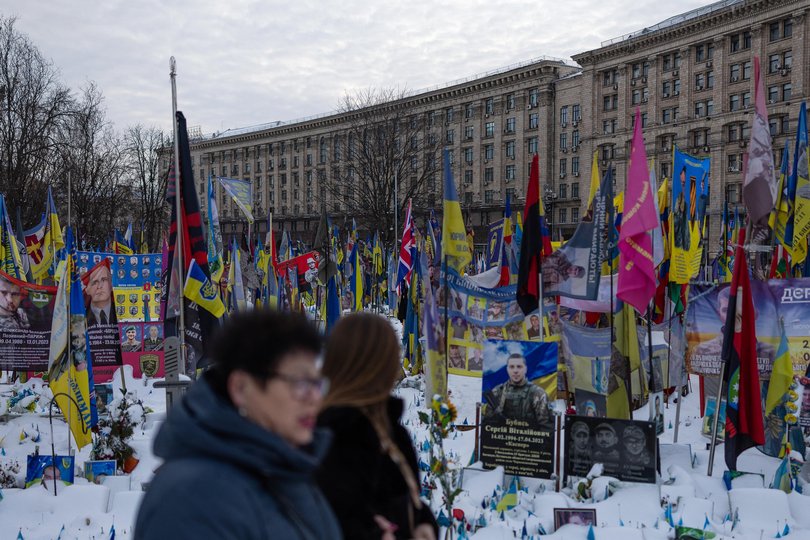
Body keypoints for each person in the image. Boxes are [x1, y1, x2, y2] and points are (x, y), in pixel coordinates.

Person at [134, 311, 340, 540]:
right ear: (241, 388)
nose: (314, 398)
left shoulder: (287, 470)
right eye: (300, 383)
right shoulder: (193, 498)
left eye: (317, 383)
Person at [317, 313, 438, 540]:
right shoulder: (331, 434)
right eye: (393, 357)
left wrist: (423, 524)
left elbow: (409, 501)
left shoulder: (390, 428)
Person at [483, 354, 550, 425]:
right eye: (512, 367)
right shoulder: (497, 392)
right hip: (501, 434)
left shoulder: (538, 393)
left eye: (519, 367)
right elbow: (488, 423)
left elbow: (545, 426)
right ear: (507, 369)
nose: (515, 371)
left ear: (525, 369)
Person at [673, 167, 691, 250]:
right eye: (680, 183)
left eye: (683, 184)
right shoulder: (677, 202)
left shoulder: (691, 206)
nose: (681, 187)